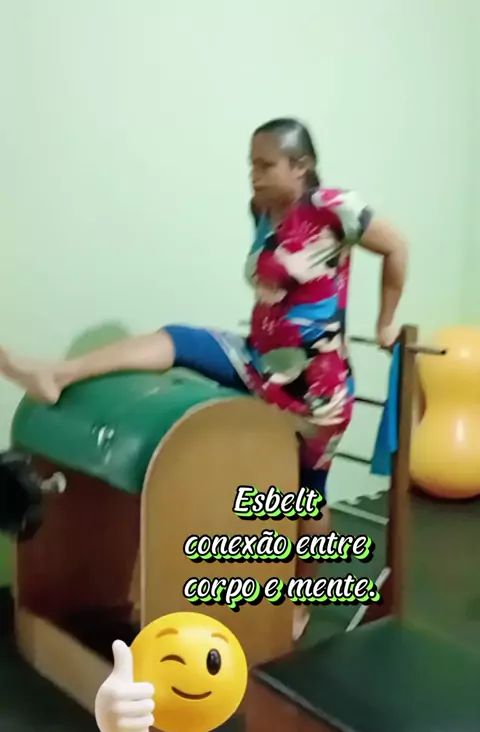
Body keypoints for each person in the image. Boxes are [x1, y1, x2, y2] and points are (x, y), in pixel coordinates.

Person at [0, 117, 407, 640]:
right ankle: (56, 374)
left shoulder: (334, 206)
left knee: (308, 492)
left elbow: (396, 247)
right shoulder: (262, 210)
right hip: (259, 362)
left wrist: (386, 321)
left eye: (265, 164)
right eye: (251, 164)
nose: (254, 174)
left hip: (316, 389)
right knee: (177, 339)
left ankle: (302, 599)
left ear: (300, 165)